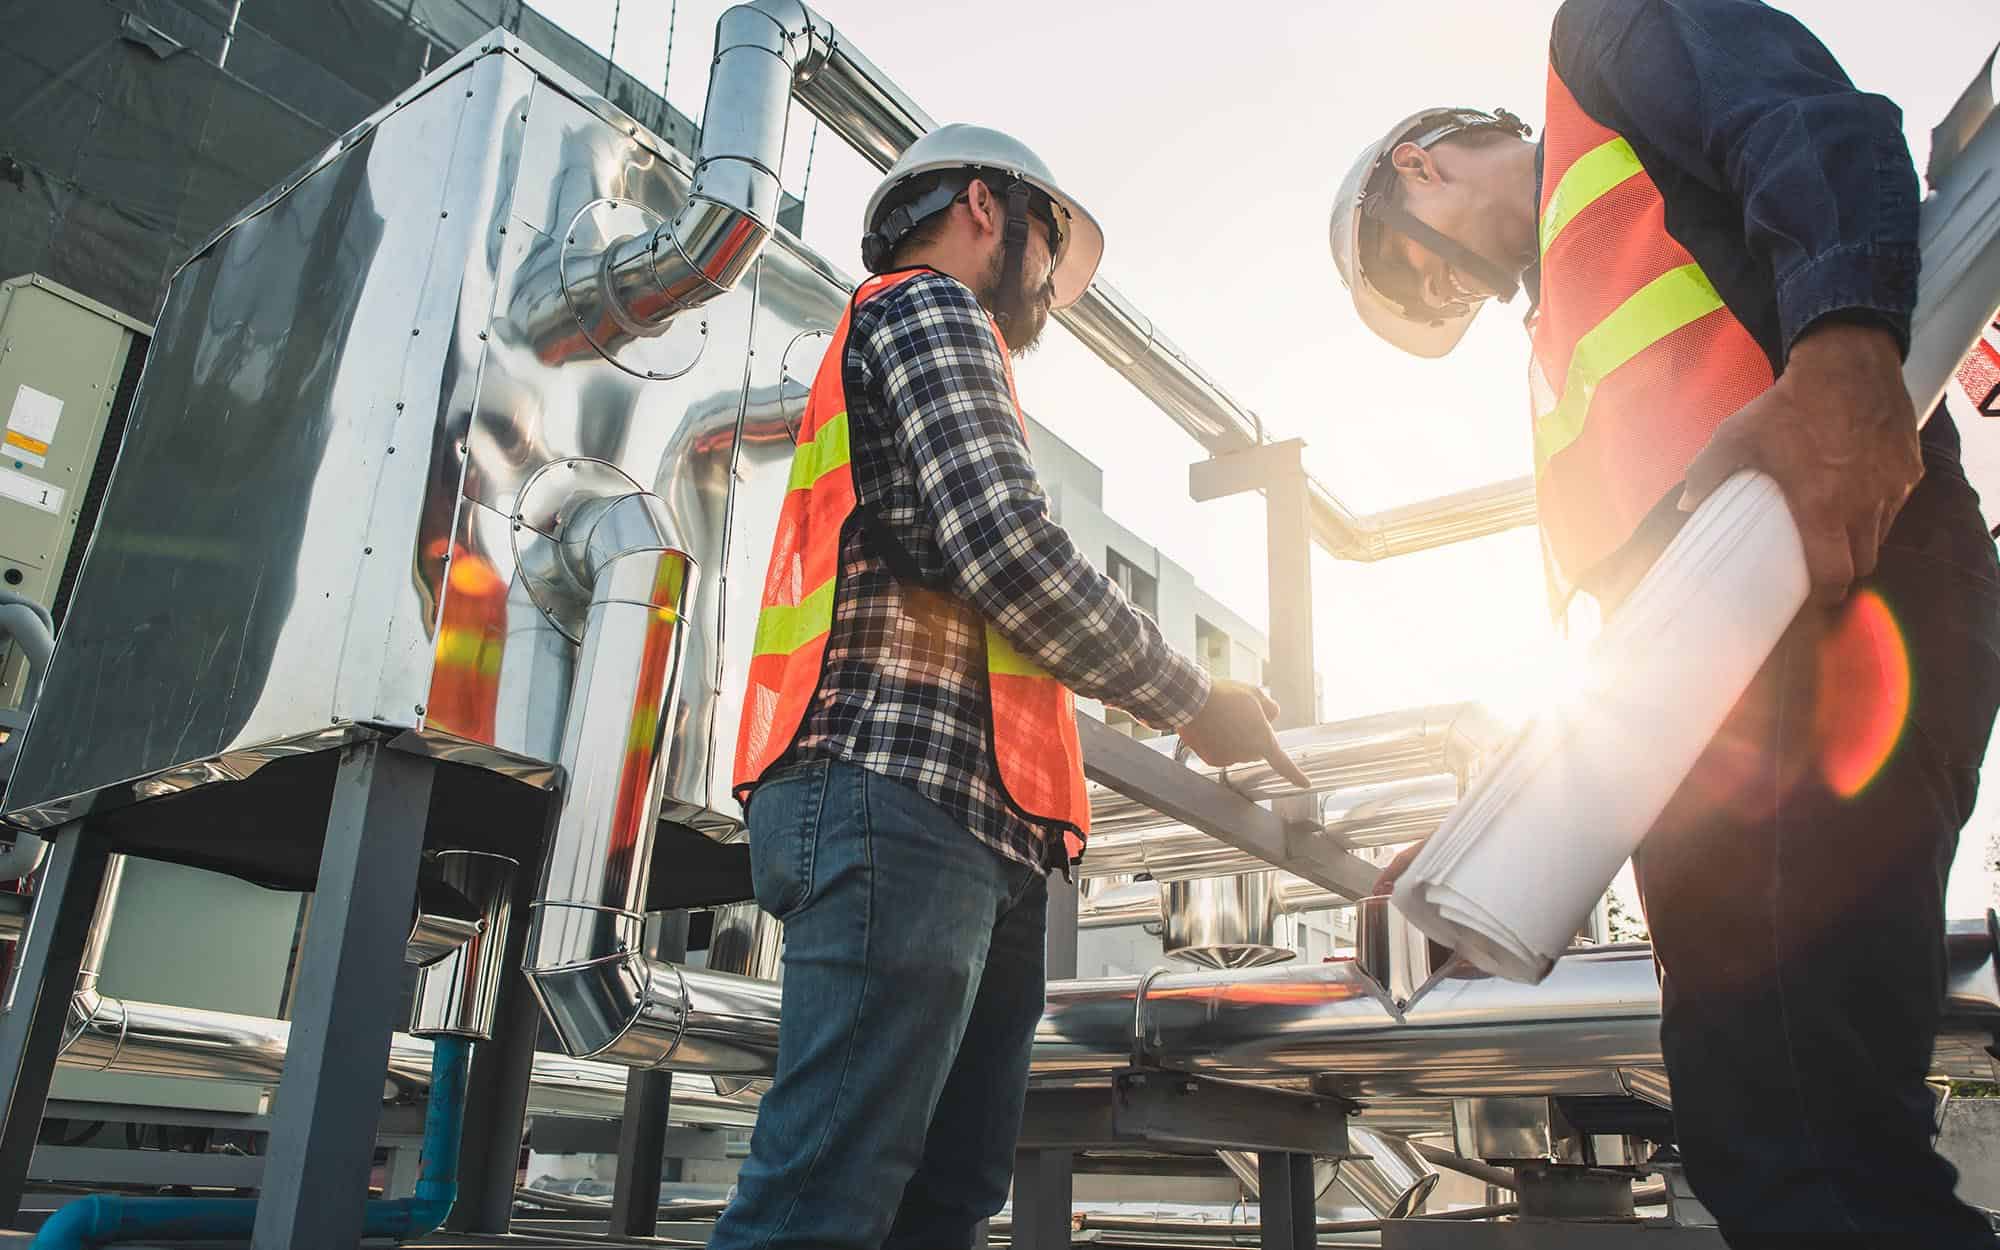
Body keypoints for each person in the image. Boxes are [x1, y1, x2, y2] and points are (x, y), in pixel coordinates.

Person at [1331, 2, 2000, 1244]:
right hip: (1713, 709)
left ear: (1415, 162)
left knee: (1811, 1144)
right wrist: (1489, 842)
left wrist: (1847, 351)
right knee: (1764, 1136)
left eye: (1409, 258)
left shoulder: (1606, 36)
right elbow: (1603, 640)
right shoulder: (1555, 333)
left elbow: (1808, 124)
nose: (1438, 286)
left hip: (1840, 606)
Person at [715, 123, 1310, 1250]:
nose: (1045, 284)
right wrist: (1196, 697)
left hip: (967, 826)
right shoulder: (927, 309)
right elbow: (1006, 546)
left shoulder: (913, 337)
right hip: (896, 797)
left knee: (939, 1199)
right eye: (1046, 246)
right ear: (985, 209)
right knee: (824, 1196)